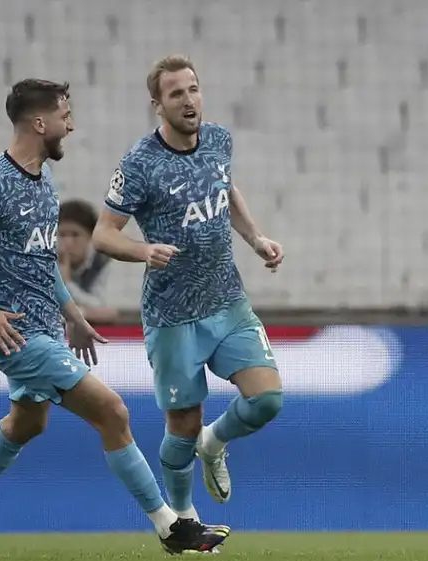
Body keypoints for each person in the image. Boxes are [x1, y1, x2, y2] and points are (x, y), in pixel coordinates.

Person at [0, 79, 230, 558]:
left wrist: (74, 315)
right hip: (17, 336)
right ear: (39, 122)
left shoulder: (45, 184)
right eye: (65, 114)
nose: (72, 123)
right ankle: (173, 529)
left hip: (48, 330)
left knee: (27, 423)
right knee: (112, 412)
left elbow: (44, 266)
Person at [92, 55, 285, 520]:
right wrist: (143, 251)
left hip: (226, 300)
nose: (188, 100)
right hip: (173, 316)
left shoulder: (218, 139)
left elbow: (226, 189)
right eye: (176, 93)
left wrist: (256, 237)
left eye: (193, 89)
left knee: (267, 400)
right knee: (181, 425)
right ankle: (181, 517)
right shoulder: (140, 163)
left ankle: (214, 443)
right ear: (158, 104)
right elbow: (103, 233)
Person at [58, 199, 119, 324]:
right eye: (62, 235)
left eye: (75, 235)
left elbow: (106, 310)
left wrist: (67, 283)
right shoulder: (44, 261)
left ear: (90, 237)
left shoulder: (103, 261)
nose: (68, 243)